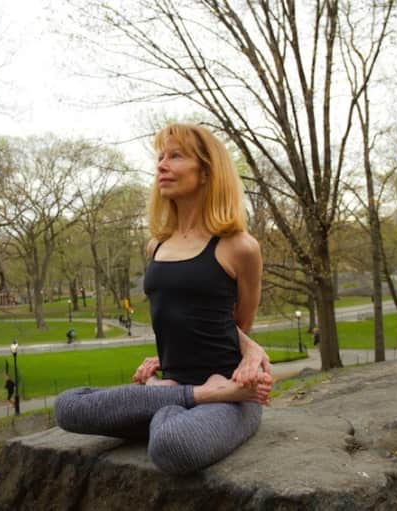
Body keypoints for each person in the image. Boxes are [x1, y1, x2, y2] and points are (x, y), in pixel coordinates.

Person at [54, 123, 273, 475]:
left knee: (173, 446)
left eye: (175, 156)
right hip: (184, 386)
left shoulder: (240, 247)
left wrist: (250, 349)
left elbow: (236, 323)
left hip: (235, 393)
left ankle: (170, 401)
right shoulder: (156, 246)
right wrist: (170, 369)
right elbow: (180, 316)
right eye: (160, 157)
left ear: (206, 171)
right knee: (68, 407)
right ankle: (182, 397)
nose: (161, 165)